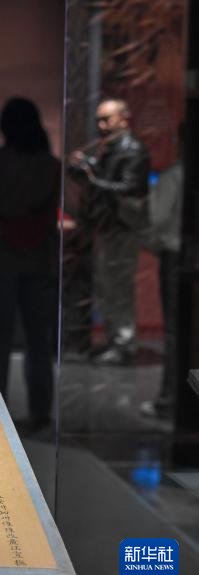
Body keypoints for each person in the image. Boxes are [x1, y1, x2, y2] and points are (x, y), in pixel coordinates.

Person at [0, 98, 60, 432]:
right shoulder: (50, 165)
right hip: (41, 258)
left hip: (0, 256)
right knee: (39, 339)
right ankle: (40, 410)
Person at [68, 98, 151, 366]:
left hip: (122, 227)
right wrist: (86, 170)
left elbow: (130, 188)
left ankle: (123, 344)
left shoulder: (133, 149)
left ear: (123, 119)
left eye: (107, 119)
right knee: (107, 286)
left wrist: (91, 178)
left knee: (119, 286)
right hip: (107, 225)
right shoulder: (110, 147)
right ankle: (116, 339)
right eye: (99, 120)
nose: (102, 125)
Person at [140, 127, 184, 417]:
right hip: (178, 254)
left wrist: (154, 242)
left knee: (175, 332)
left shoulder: (174, 176)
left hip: (176, 258)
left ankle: (170, 399)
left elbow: (155, 219)